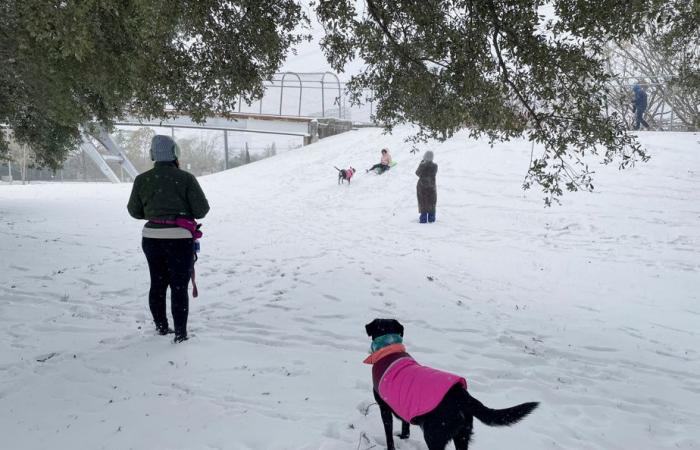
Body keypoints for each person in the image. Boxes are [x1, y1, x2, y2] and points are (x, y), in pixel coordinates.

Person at [127, 135, 210, 343]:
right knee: (179, 286)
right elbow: (201, 210)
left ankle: (161, 328)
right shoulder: (186, 178)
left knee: (157, 283)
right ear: (175, 153)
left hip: (151, 238)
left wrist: (156, 213)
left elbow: (134, 211)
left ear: (153, 155)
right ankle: (181, 333)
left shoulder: (142, 179)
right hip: (180, 239)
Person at [415, 150, 437, 223]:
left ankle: (423, 219)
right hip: (432, 186)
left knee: (423, 202)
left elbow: (417, 173)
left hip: (422, 186)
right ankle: (432, 218)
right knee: (432, 202)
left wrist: (422, 163)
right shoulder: (435, 166)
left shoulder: (422, 165)